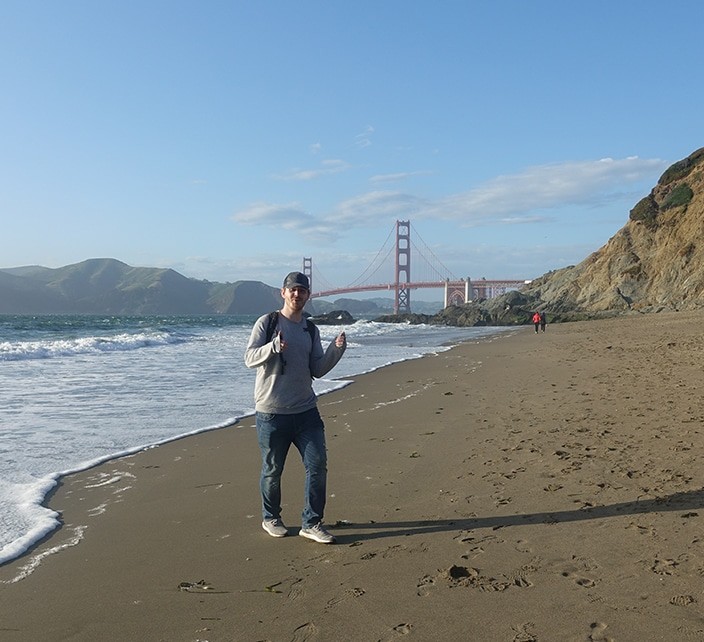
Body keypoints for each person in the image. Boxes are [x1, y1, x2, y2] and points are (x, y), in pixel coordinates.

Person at [244, 271, 347, 544]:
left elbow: (317, 369)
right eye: (293, 290)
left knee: (318, 466)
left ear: (307, 295)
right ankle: (271, 518)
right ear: (283, 292)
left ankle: (311, 523)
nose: (297, 294)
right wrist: (273, 347)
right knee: (272, 470)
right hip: (271, 412)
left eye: (302, 290)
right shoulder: (267, 322)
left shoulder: (310, 329)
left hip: (306, 412)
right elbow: (249, 358)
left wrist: (336, 351)